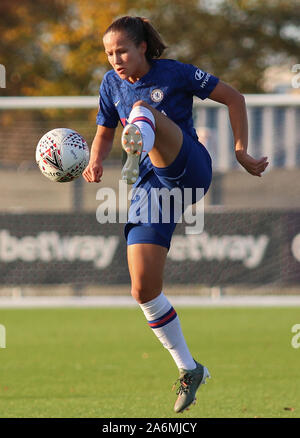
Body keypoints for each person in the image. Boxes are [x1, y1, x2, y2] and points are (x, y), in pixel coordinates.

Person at [83, 15, 269, 413]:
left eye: (122, 51)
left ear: (142, 48)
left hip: (187, 167)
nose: (115, 59)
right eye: (109, 53)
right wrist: (96, 160)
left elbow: (234, 97)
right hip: (153, 192)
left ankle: (137, 146)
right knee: (143, 290)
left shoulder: (176, 73)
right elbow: (102, 129)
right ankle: (190, 368)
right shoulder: (109, 83)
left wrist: (240, 152)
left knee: (141, 110)